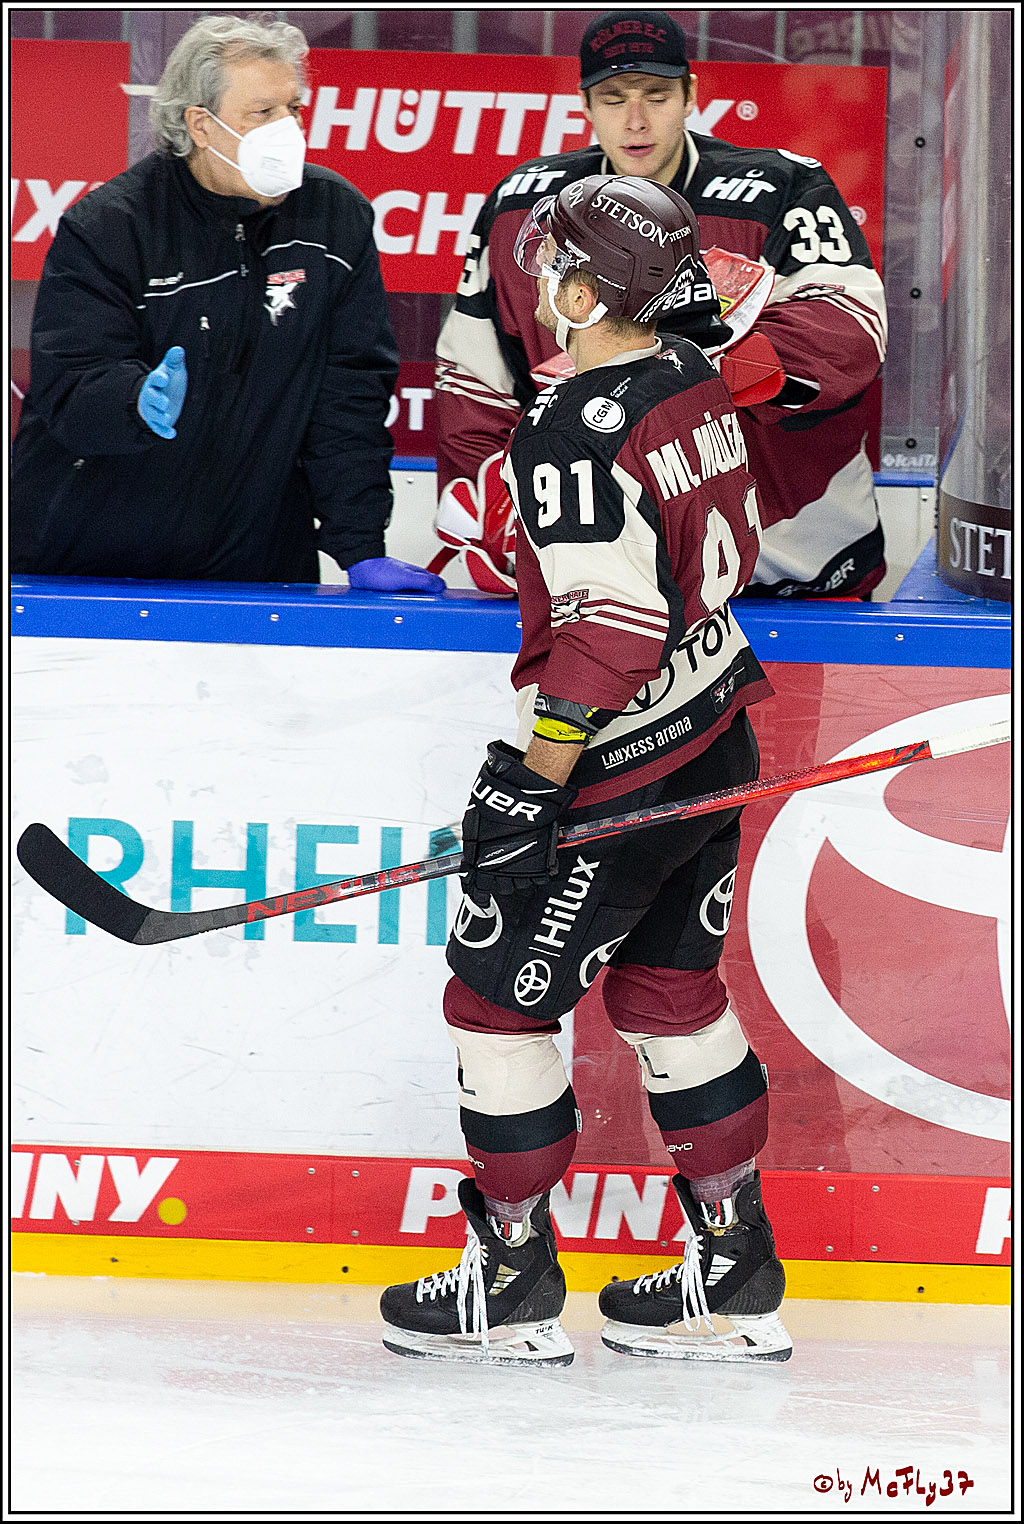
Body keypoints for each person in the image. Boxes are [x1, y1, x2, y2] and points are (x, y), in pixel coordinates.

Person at [381, 175, 791, 1366]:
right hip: (713, 731)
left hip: (613, 775)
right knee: (668, 997)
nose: (534, 275)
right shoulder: (689, 380)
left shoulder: (570, 425)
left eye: (553, 258)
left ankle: (509, 1279)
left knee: (492, 1004)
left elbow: (607, 630)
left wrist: (534, 781)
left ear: (587, 287)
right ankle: (735, 1271)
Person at [435, 8, 887, 600]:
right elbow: (472, 382)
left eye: (656, 94)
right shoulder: (523, 207)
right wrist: (510, 516)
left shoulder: (783, 187)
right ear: (585, 104)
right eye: (614, 97)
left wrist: (684, 361)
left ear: (690, 94)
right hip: (614, 578)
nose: (636, 120)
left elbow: (851, 330)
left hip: (788, 560)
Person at [11, 14, 443, 592]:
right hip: (93, 557)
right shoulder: (111, 226)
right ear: (201, 124)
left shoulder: (335, 218)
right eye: (261, 113)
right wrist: (133, 399)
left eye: (293, 108)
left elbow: (350, 393)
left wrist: (358, 543)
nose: (287, 128)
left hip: (256, 558)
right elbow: (69, 386)